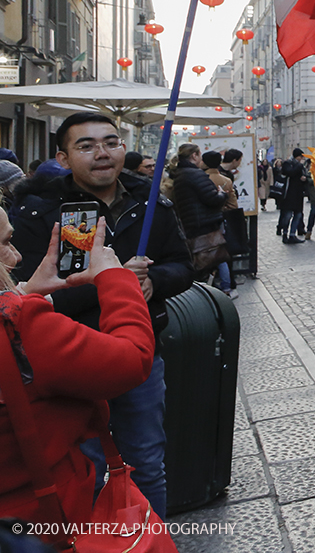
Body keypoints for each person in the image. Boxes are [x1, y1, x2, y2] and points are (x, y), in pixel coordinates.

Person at [11, 111, 193, 519]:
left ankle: (151, 540)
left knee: (146, 462)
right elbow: (31, 293)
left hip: (140, 356)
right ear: (63, 156)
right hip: (68, 361)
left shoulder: (151, 204)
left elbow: (184, 266)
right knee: (85, 468)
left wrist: (153, 282)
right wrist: (112, 284)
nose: (102, 154)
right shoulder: (41, 212)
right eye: (86, 146)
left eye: (111, 143)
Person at [0, 214, 154, 531]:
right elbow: (133, 359)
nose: (15, 256)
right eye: (4, 242)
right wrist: (116, 278)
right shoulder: (18, 326)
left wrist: (25, 291)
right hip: (40, 521)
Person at [202, 151, 237, 299]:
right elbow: (233, 205)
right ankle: (226, 287)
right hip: (220, 220)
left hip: (202, 221)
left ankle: (205, 285)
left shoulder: (200, 179)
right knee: (220, 253)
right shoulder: (225, 180)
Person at [278, 149, 308, 244]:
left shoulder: (300, 166)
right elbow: (290, 173)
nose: (302, 159)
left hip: (298, 194)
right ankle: (285, 234)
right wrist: (299, 166)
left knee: (298, 215)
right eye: (301, 156)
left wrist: (304, 179)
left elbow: (304, 175)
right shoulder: (288, 163)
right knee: (288, 215)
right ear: (297, 156)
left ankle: (292, 234)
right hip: (289, 194)